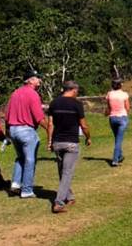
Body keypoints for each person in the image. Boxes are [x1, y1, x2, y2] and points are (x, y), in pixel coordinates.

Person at [47, 81, 91, 214]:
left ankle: (69, 196)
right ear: (73, 90)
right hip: (71, 142)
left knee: (63, 171)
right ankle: (59, 203)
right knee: (67, 172)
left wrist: (49, 141)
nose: (77, 93)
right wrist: (88, 137)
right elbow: (83, 125)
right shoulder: (77, 104)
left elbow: (50, 124)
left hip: (57, 142)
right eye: (77, 90)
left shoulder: (54, 103)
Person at [6, 69, 47, 199]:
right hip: (26, 130)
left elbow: (7, 115)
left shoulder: (15, 93)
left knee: (20, 158)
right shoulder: (33, 94)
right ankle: (27, 190)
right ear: (29, 80)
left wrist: (7, 133)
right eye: (36, 78)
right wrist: (49, 129)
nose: (39, 80)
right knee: (30, 160)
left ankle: (16, 184)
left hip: (13, 129)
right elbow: (39, 117)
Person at [105, 79, 130, 167]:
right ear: (120, 85)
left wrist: (106, 113)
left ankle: (120, 156)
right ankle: (115, 160)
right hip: (122, 117)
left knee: (117, 138)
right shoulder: (124, 94)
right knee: (119, 140)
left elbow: (108, 107)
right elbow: (127, 107)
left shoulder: (109, 94)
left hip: (112, 118)